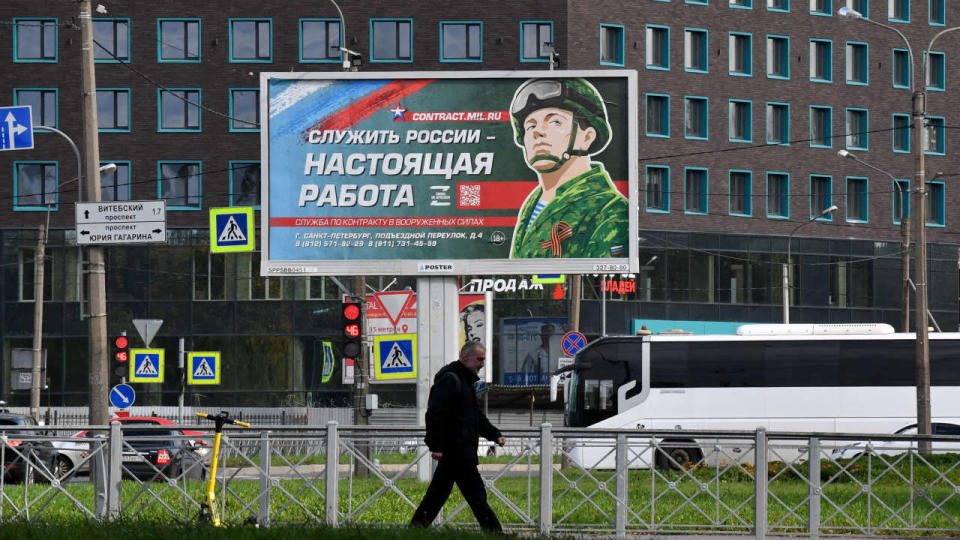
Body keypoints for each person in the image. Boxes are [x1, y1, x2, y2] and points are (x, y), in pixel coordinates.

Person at [508, 78, 629, 259]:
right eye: (530, 125)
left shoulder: (609, 211)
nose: (537, 131)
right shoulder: (532, 204)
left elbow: (600, 283)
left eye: (555, 122)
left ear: (587, 137)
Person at [411, 342, 506, 533]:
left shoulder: (464, 382)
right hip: (456, 450)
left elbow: (475, 416)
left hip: (459, 450)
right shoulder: (451, 380)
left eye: (483, 359)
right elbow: (434, 414)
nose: (482, 363)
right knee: (476, 495)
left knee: (438, 495)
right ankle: (495, 533)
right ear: (465, 358)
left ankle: (415, 530)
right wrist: (435, 445)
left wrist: (494, 434)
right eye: (479, 359)